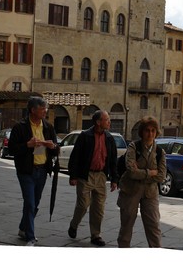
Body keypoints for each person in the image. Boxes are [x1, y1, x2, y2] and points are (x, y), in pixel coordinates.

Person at [9, 96, 60, 246]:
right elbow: (12, 149)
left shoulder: (48, 127)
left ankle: (23, 228)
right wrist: (27, 145)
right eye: (42, 109)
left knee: (35, 203)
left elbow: (56, 148)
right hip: (26, 171)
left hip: (42, 170)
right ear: (33, 110)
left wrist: (53, 147)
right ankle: (30, 237)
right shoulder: (20, 127)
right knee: (30, 203)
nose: (45, 111)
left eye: (45, 109)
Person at [67, 110, 119, 247]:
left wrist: (114, 179)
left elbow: (113, 159)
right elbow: (75, 157)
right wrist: (73, 176)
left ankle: (95, 235)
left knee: (99, 208)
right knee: (83, 205)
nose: (109, 122)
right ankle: (74, 225)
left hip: (101, 176)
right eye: (107, 119)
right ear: (98, 122)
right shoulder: (85, 136)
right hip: (86, 175)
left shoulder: (109, 138)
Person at [118, 117, 165, 248]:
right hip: (130, 190)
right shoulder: (134, 147)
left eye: (153, 131)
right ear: (142, 132)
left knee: (154, 226)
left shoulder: (160, 152)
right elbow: (132, 172)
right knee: (126, 227)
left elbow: (161, 176)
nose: (150, 134)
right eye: (147, 130)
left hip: (150, 193)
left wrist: (141, 171)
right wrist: (150, 172)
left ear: (156, 132)